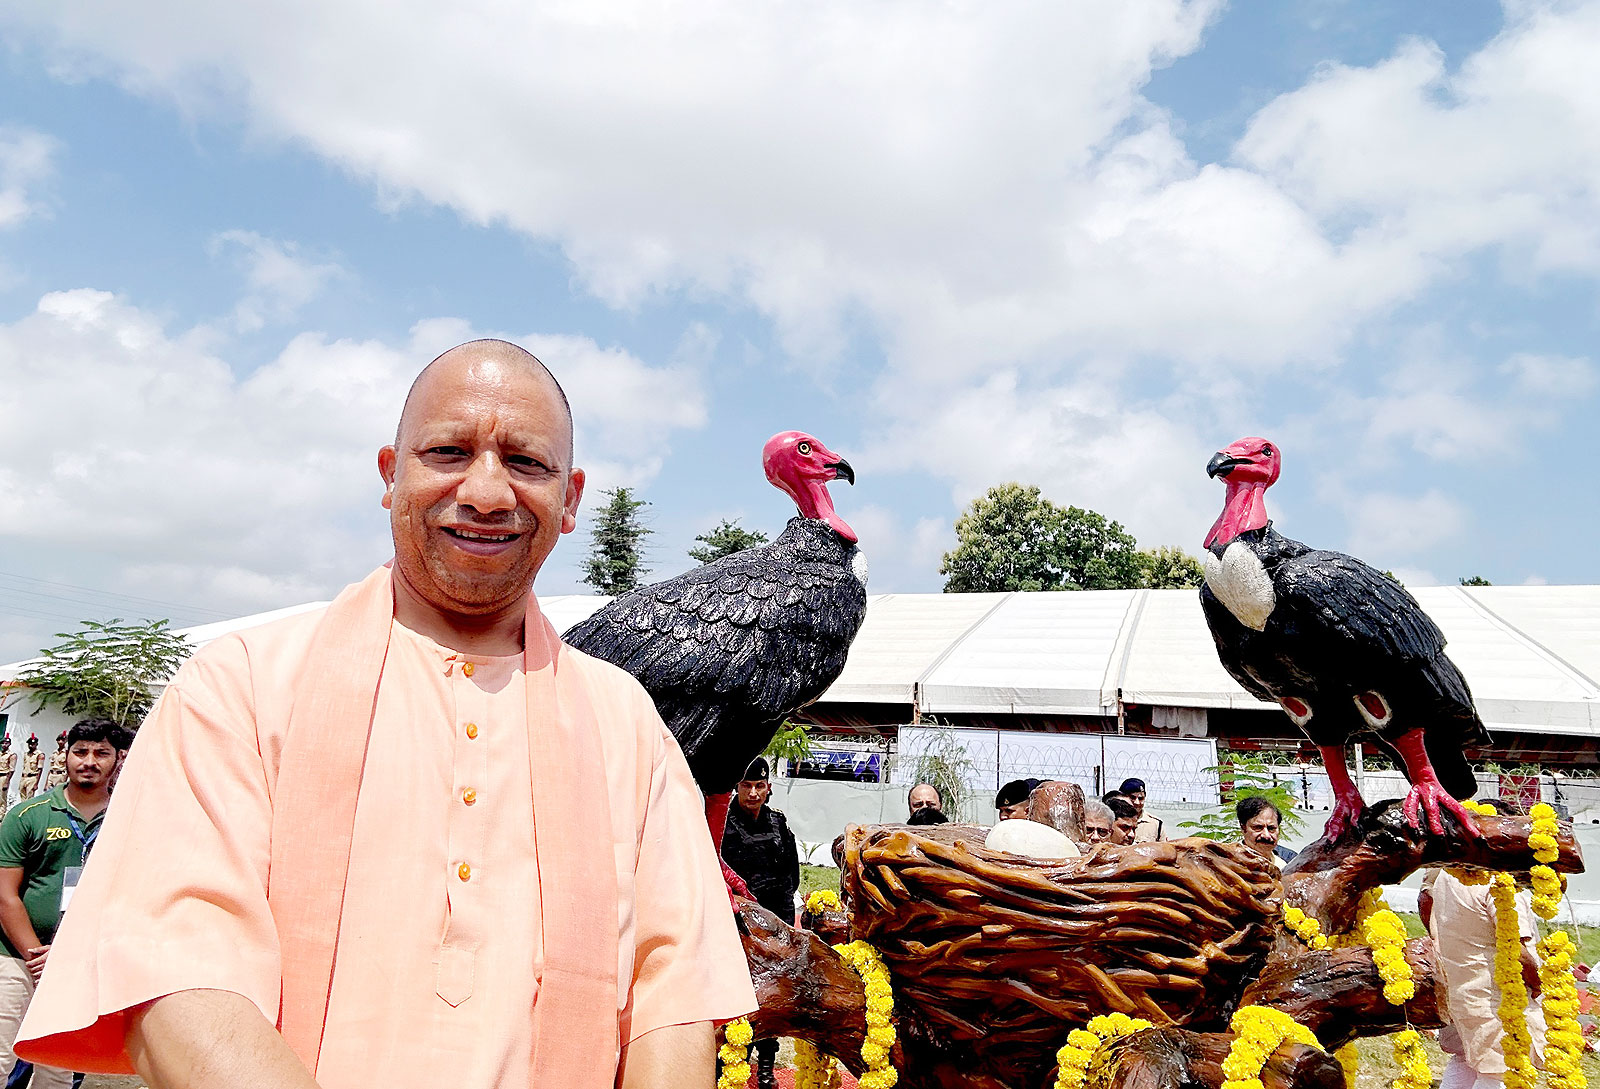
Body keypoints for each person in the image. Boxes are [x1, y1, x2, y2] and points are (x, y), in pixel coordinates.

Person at [15, 340, 755, 1089]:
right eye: (448, 451)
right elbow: (171, 965)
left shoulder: (624, 722)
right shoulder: (242, 684)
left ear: (570, 499)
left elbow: (673, 994)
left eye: (527, 462)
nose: (487, 491)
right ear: (390, 473)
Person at [0, 719, 121, 1089]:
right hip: (17, 960)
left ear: (118, 759)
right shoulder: (28, 815)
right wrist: (37, 957)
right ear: (66, 756)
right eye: (80, 751)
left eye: (101, 753)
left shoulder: (126, 820)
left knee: (58, 1067)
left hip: (81, 963)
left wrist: (70, 955)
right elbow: (5, 896)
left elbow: (129, 897)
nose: (89, 761)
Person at [1427, 799, 1546, 1089]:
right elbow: (1517, 950)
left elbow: (1425, 903)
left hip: (1458, 990)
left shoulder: (1447, 875)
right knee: (1499, 1071)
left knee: (1465, 1060)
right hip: (1495, 997)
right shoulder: (1499, 885)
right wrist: (1539, 983)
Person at [718, 758, 798, 1089]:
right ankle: (731, 1063)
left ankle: (765, 1066)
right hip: (737, 925)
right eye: (747, 786)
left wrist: (782, 924)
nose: (753, 793)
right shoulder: (723, 825)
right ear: (737, 788)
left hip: (775, 925)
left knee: (771, 996)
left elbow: (791, 877)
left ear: (768, 788)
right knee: (735, 997)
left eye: (759, 786)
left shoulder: (779, 824)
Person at [1236, 797, 1296, 867]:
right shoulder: (1228, 862)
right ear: (1243, 828)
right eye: (1258, 828)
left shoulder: (1285, 865)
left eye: (1271, 828)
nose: (1266, 835)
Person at [0, 740, 14, 819]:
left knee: (2, 798)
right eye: (3, 743)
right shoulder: (0, 753)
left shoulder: (11, 755)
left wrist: (7, 782)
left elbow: (11, 770)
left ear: (9, 744)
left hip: (4, 777)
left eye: (6, 743)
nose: (4, 745)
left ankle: (1, 816)